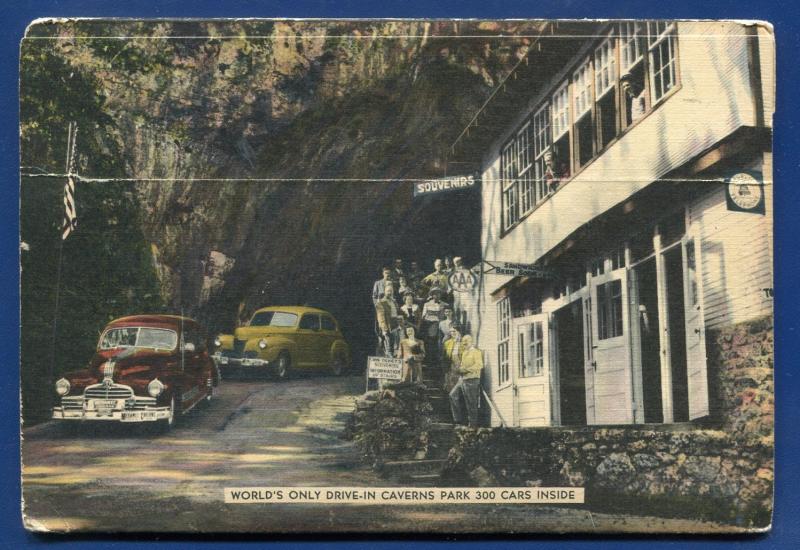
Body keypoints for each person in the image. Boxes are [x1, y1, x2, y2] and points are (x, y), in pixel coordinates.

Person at [449, 335, 483, 427]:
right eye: (463, 341)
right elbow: (462, 365)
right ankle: (458, 420)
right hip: (462, 379)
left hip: (472, 380)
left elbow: (479, 365)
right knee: (452, 395)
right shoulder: (464, 353)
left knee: (471, 403)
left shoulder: (476, 352)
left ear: (471, 341)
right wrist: (460, 369)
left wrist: (467, 369)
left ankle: (472, 424)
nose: (464, 343)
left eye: (466, 341)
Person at [375, 286, 402, 357]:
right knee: (388, 344)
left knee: (395, 344)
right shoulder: (381, 303)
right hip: (387, 325)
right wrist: (384, 329)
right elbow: (380, 317)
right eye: (388, 291)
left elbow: (398, 311)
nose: (389, 293)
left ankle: (393, 358)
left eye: (391, 291)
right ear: (384, 292)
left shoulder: (394, 301)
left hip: (395, 325)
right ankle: (389, 360)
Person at [441, 324, 464, 392]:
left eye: (454, 331)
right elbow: (444, 357)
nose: (452, 333)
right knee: (450, 388)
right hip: (450, 367)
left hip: (460, 367)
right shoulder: (447, 343)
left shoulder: (463, 342)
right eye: (451, 331)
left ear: (459, 331)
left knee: (460, 388)